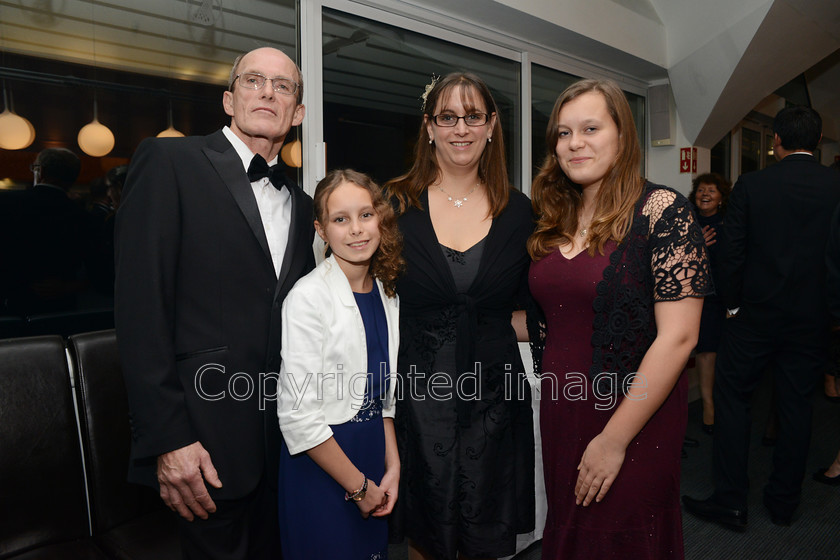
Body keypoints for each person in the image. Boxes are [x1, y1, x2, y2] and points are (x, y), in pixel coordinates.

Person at [114, 47, 315, 559]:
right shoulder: (169, 162)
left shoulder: (306, 206)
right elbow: (141, 313)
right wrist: (167, 439)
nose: (268, 92)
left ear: (298, 114)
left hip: (283, 449)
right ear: (230, 99)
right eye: (254, 80)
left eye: (283, 86)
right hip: (199, 448)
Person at [527, 78, 710, 559]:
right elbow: (556, 320)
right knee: (570, 533)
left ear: (622, 137)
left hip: (634, 417)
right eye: (563, 134)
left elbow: (680, 337)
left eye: (590, 128)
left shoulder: (663, 212)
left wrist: (613, 439)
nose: (575, 143)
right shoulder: (554, 217)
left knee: (622, 537)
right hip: (562, 409)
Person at [385, 72, 535, 560]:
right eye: (447, 117)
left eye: (473, 116)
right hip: (417, 396)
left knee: (485, 535)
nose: (461, 128)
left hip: (495, 396)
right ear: (429, 127)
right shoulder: (394, 205)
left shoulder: (520, 212)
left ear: (492, 125)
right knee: (424, 537)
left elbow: (537, 306)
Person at [683, 106, 840, 528]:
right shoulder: (836, 186)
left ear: (776, 141)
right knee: (797, 407)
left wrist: (732, 305)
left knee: (733, 401)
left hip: (753, 316)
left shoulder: (753, 184)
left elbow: (732, 251)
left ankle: (731, 500)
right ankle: (784, 502)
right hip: (811, 320)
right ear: (818, 141)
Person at [277, 169, 402, 558]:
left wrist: (393, 466)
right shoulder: (308, 297)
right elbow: (297, 416)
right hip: (323, 469)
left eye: (366, 214)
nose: (357, 230)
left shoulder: (387, 292)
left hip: (372, 460)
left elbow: (382, 398)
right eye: (340, 219)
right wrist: (359, 487)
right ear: (321, 229)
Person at [2, 147, 92, 315]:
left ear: (40, 171)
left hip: (12, 302)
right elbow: (96, 268)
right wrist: (67, 287)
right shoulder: (82, 215)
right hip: (61, 306)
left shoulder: (7, 203)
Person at [689, 172, 732, 434]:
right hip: (687, 296)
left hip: (716, 298)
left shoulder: (729, 226)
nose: (705, 194)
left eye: (712, 191)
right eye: (701, 190)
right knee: (692, 352)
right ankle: (702, 408)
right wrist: (696, 245)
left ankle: (712, 405)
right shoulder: (685, 222)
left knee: (711, 352)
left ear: (721, 198)